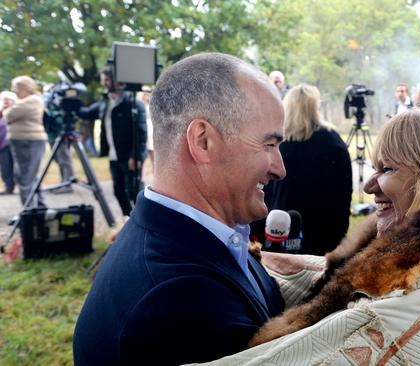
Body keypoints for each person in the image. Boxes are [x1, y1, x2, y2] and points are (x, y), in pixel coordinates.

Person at [217, 109, 420, 365]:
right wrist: (270, 261)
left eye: (386, 169)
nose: (369, 186)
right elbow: (353, 278)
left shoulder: (388, 320)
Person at [73, 53, 287, 365]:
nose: (280, 169)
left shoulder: (189, 239)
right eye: (269, 145)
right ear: (202, 141)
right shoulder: (179, 300)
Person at [252, 83, 352, 255]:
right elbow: (344, 192)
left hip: (277, 230)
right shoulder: (333, 142)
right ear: (316, 107)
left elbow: (261, 187)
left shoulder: (274, 143)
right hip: (323, 233)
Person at [77, 67, 147, 217]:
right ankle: (129, 220)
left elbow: (141, 134)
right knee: (118, 191)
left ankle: (144, 220)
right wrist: (72, 103)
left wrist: (136, 156)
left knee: (135, 192)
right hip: (113, 156)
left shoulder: (134, 104)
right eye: (104, 80)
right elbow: (88, 113)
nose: (105, 84)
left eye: (108, 80)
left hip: (129, 156)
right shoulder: (105, 103)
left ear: (118, 80)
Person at [5, 76, 47, 206]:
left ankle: (30, 211)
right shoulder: (27, 101)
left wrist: (8, 110)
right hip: (23, 142)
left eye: (16, 89)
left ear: (25, 88)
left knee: (25, 177)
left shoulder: (32, 101)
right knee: (29, 176)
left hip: (28, 142)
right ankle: (39, 207)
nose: (14, 92)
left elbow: (9, 115)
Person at [42, 83, 75, 193]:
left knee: (64, 159)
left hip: (60, 133)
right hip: (52, 134)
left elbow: (59, 117)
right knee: (60, 160)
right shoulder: (49, 102)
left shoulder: (59, 101)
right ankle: (64, 182)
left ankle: (67, 184)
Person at [0, 91, 16, 195]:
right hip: (2, 145)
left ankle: (26, 186)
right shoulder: (0, 113)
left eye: (8, 99)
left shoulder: (16, 111)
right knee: (5, 167)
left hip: (15, 142)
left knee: (19, 166)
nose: (6, 101)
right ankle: (8, 187)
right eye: (4, 99)